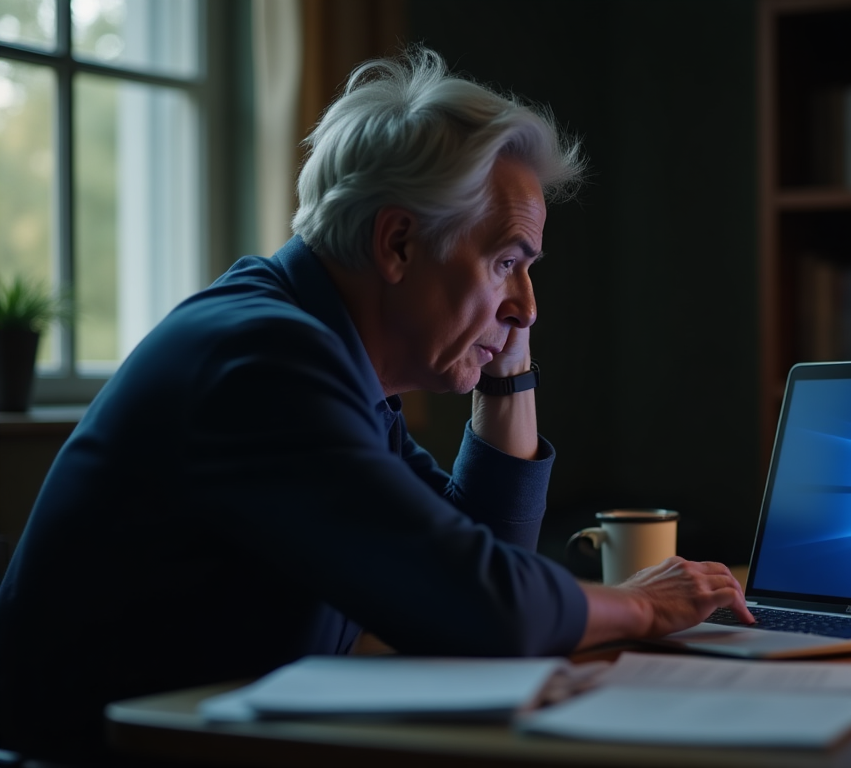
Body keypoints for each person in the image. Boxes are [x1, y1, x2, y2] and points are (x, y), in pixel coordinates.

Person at [0, 46, 751, 762]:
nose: (527, 303)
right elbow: (487, 607)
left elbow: (481, 551)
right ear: (398, 243)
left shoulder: (317, 354)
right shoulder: (261, 361)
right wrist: (642, 607)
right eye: (507, 263)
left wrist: (506, 362)